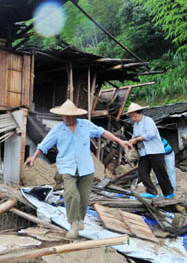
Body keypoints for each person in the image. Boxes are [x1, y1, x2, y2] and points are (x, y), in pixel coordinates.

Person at [24, 100, 132, 239]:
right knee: (71, 194)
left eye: (69, 115)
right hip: (67, 167)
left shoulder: (85, 125)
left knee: (84, 198)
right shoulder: (58, 130)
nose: (66, 118)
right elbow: (43, 145)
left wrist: (120, 141)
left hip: (85, 167)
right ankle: (73, 225)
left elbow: (103, 132)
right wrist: (33, 157)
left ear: (75, 115)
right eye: (64, 115)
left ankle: (80, 220)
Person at [126, 102, 174, 199]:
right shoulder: (135, 125)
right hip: (144, 152)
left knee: (160, 172)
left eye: (134, 116)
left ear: (139, 114)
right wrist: (131, 141)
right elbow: (135, 135)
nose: (133, 119)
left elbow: (150, 134)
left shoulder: (148, 121)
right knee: (142, 171)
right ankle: (152, 191)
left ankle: (169, 192)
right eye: (131, 117)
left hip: (155, 151)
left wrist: (137, 139)